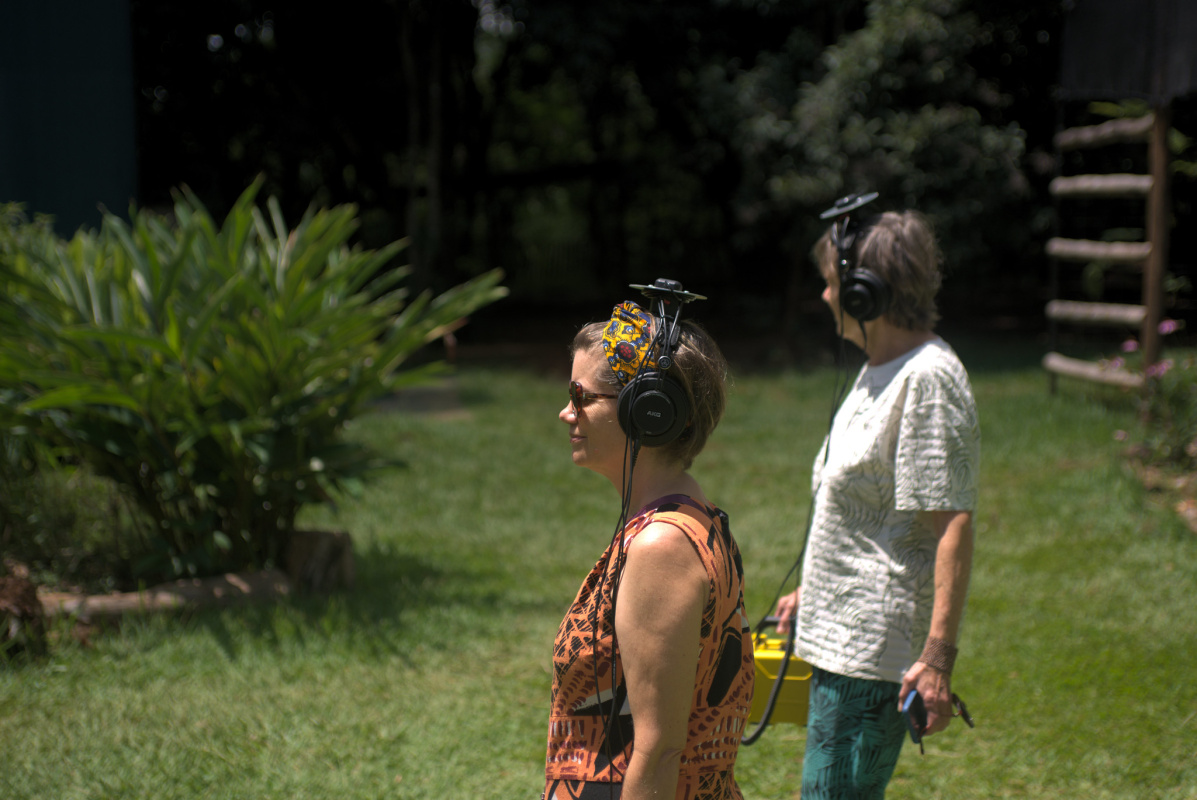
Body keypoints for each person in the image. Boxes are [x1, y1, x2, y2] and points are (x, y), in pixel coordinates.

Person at [775, 206, 981, 799]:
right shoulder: (879, 369)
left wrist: (937, 659)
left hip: (871, 652)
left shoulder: (928, 380)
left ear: (864, 293)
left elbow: (952, 522)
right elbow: (868, 508)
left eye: (832, 282)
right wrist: (812, 589)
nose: (825, 295)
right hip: (841, 638)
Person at [543, 294, 754, 800]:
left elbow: (659, 750)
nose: (565, 413)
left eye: (580, 396)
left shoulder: (662, 547)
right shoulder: (691, 518)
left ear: (646, 411)